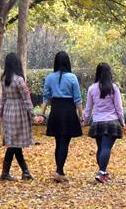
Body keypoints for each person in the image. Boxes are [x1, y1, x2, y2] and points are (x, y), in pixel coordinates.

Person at [38, 51, 83, 182]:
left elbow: (46, 98)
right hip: (68, 110)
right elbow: (77, 99)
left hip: (56, 110)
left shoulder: (49, 77)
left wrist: (41, 113)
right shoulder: (72, 77)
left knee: (58, 142)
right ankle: (59, 171)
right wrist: (81, 116)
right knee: (65, 142)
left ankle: (59, 170)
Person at [83, 63, 125, 183]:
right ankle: (101, 173)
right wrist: (122, 121)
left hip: (97, 122)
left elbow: (89, 108)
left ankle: (103, 172)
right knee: (106, 148)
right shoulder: (113, 88)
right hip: (111, 121)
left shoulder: (92, 88)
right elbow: (119, 107)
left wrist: (85, 120)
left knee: (101, 148)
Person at [0, 52, 34, 181]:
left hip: (8, 112)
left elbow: (3, 98)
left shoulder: (4, 79)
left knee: (14, 143)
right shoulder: (19, 79)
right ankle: (9, 173)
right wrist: (32, 114)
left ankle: (24, 172)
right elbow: (26, 98)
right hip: (19, 112)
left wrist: (0, 114)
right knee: (14, 145)